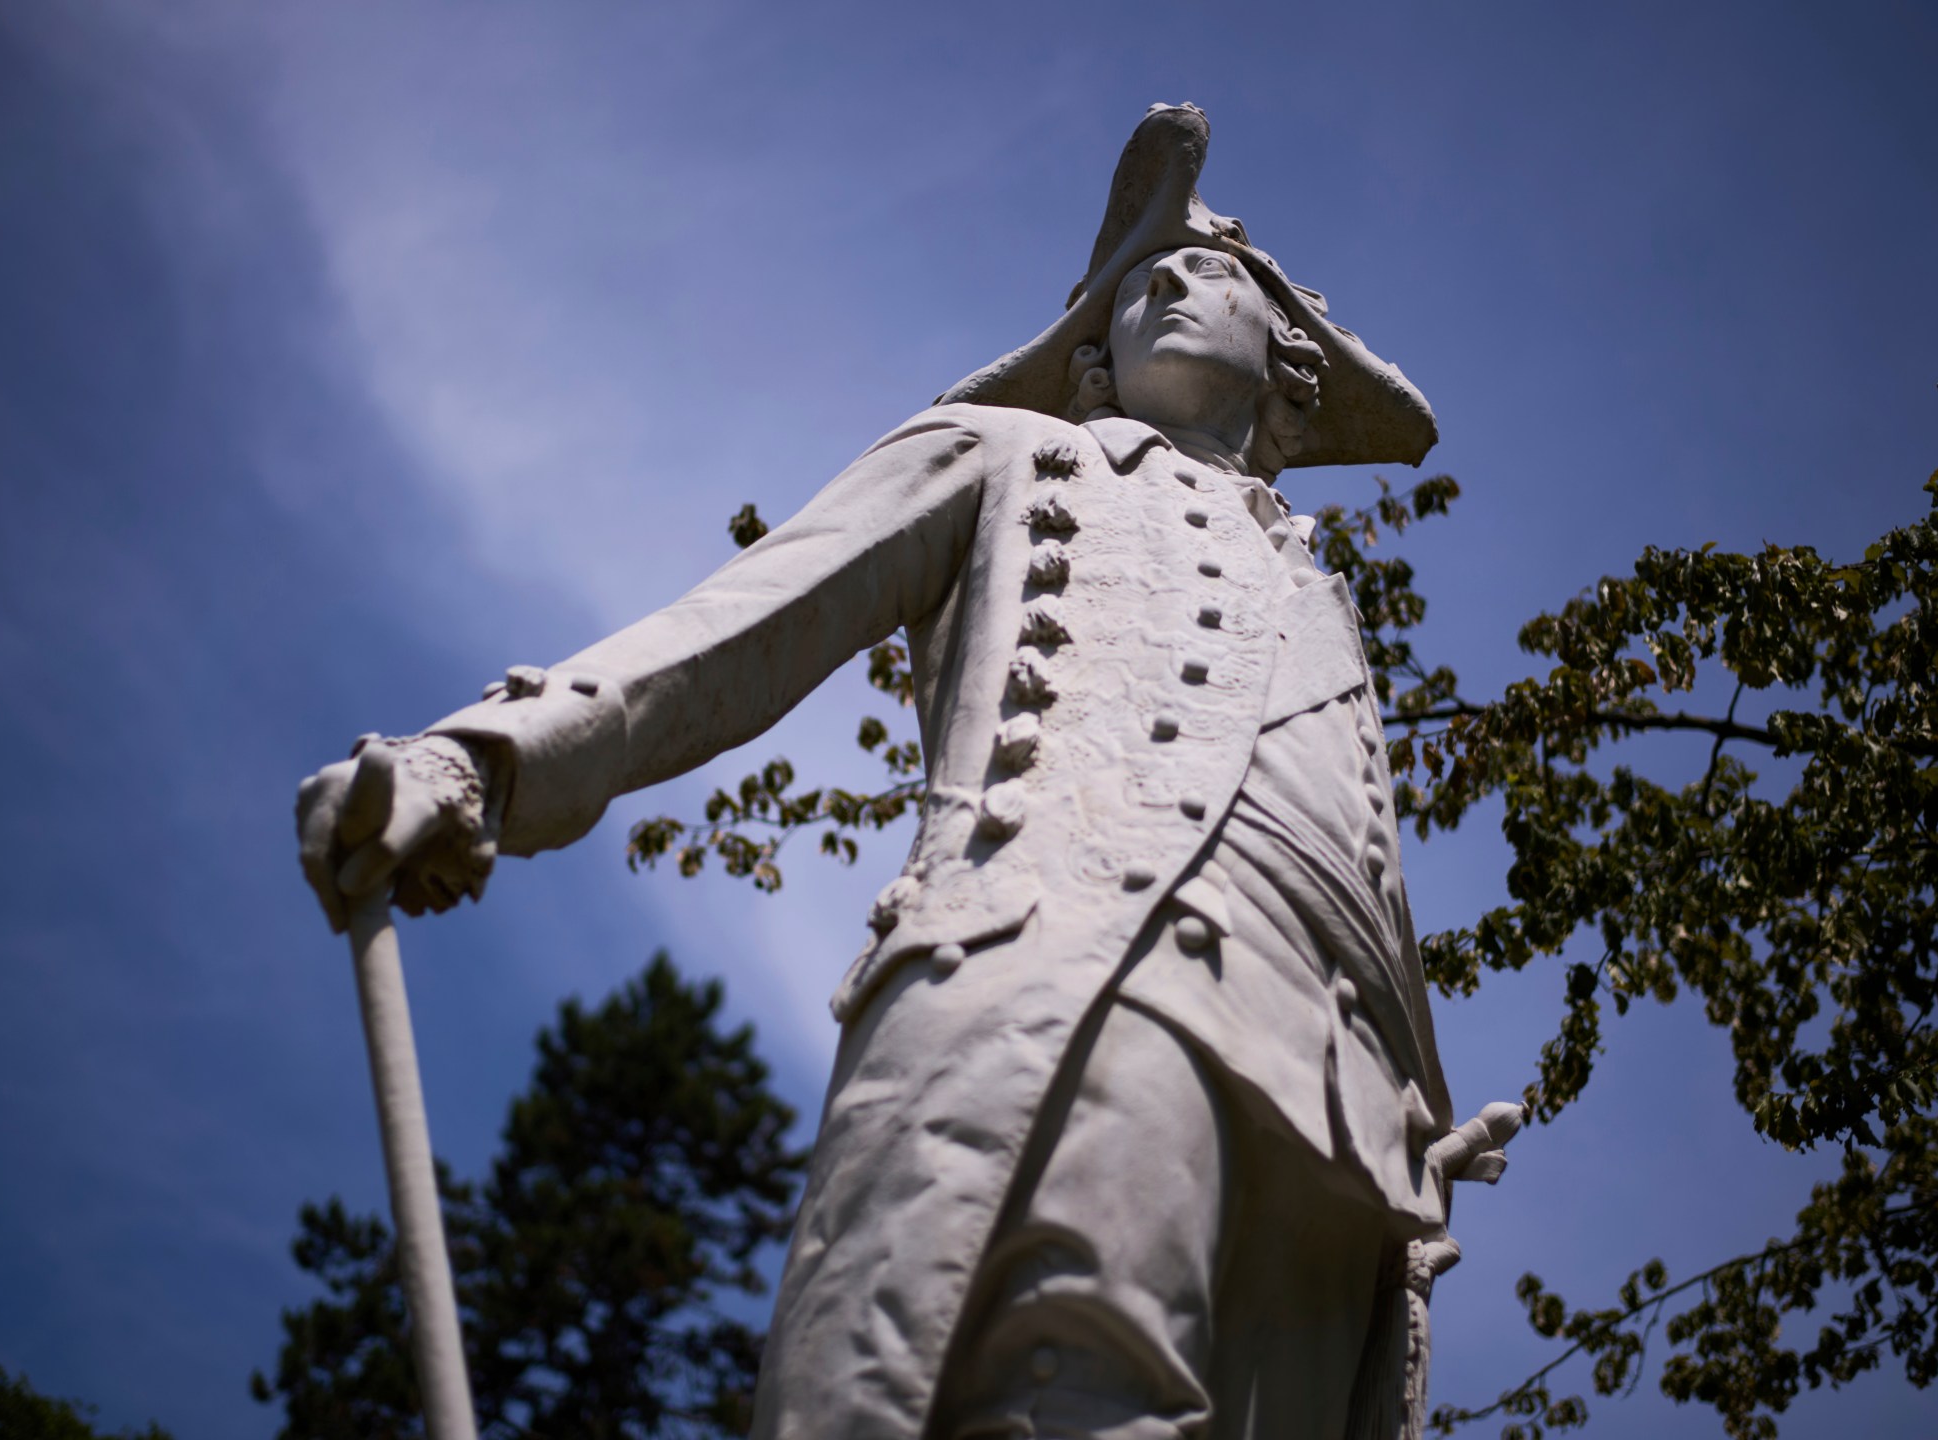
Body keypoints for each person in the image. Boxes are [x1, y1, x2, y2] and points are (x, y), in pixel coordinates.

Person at [297, 104, 1518, 1440]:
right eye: (1135, 284)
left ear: (1290, 365)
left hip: (1342, 1111)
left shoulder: (1321, 593)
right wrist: (485, 761)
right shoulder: (1009, 455)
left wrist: (1415, 1118)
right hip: (1091, 962)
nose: (1163, 287)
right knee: (1063, 1382)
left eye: (1205, 273)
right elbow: (746, 622)